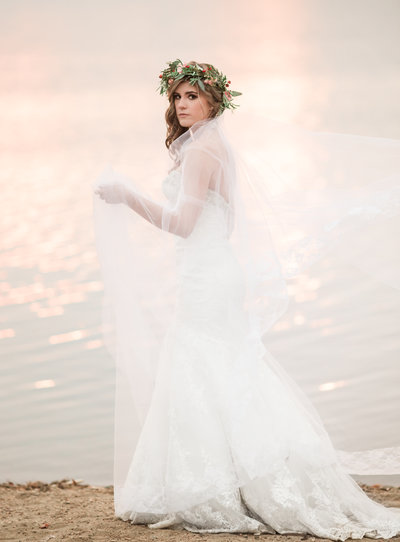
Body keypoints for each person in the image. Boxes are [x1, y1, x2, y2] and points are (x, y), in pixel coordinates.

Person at [93, 59, 400, 538]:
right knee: (224, 369)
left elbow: (182, 224)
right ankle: (229, 480)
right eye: (177, 97)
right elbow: (224, 221)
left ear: (214, 100)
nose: (182, 104)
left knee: (206, 366)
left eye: (192, 96)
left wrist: (126, 194)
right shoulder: (214, 146)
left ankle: (218, 486)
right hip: (213, 272)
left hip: (207, 279)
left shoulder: (201, 152)